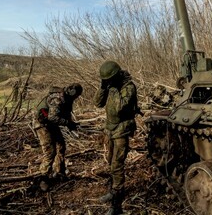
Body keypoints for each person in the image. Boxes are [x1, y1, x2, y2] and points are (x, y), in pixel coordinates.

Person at [94, 61, 139, 215]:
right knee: (110, 162)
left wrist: (112, 88)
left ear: (116, 76)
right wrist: (102, 87)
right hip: (110, 130)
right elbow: (98, 103)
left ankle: (116, 205)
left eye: (109, 79)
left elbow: (119, 109)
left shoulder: (128, 87)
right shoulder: (110, 85)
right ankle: (112, 191)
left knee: (117, 166)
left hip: (121, 130)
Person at [34, 83, 83, 179]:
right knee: (50, 152)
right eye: (76, 96)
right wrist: (67, 123)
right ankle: (43, 178)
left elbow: (66, 115)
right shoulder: (57, 98)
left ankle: (59, 172)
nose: (76, 98)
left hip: (51, 124)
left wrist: (71, 125)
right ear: (72, 93)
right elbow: (52, 117)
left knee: (61, 146)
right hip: (42, 124)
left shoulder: (68, 99)